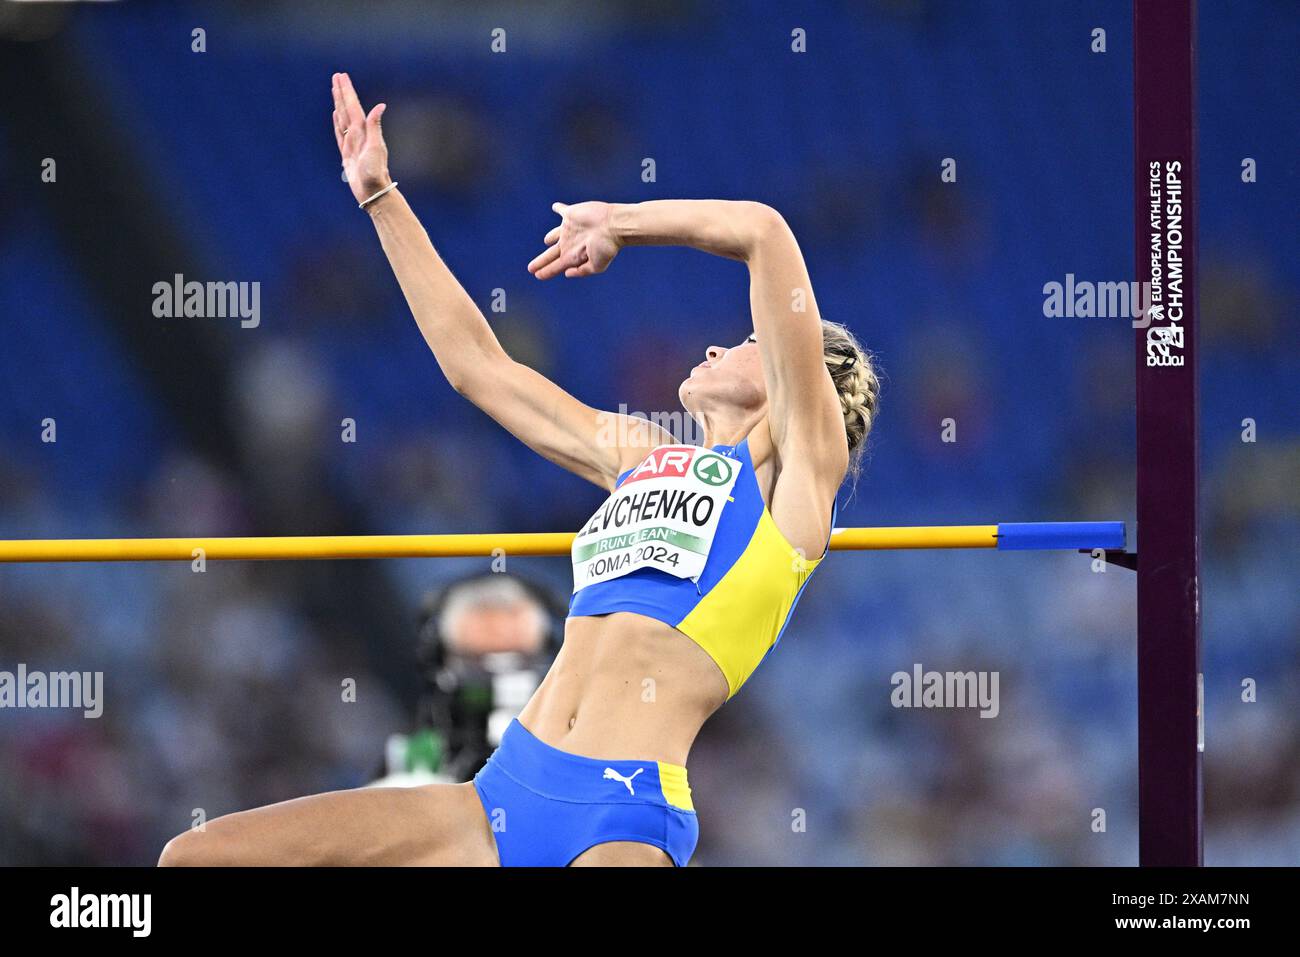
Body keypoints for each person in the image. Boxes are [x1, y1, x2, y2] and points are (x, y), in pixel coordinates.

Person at [158, 72, 879, 867]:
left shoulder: (799, 480)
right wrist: (380, 195)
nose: (715, 346)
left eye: (743, 343)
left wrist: (619, 223)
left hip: (619, 811)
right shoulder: (641, 456)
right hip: (499, 795)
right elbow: (480, 368)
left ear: (795, 378)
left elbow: (764, 233)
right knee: (195, 859)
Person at [370, 572, 561, 787]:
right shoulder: (414, 758)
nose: (498, 630)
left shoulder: (579, 745)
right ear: (440, 658)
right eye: (477, 662)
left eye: (520, 660)